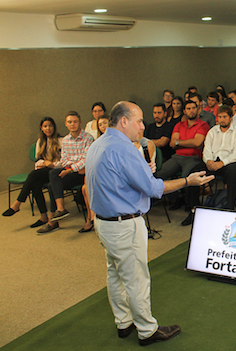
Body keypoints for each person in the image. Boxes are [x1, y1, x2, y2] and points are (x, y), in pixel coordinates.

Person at [86, 101, 214, 345]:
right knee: (136, 278)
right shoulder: (124, 149)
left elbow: (116, 179)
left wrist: (143, 170)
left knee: (114, 273)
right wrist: (187, 181)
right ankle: (147, 330)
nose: (143, 126)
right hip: (125, 225)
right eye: (139, 121)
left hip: (104, 223)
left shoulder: (98, 144)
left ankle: (123, 322)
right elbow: (154, 188)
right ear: (124, 121)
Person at [182, 105, 236, 225]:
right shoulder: (212, 131)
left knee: (233, 173)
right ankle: (194, 210)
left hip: (229, 162)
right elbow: (206, 149)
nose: (222, 119)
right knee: (194, 173)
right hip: (212, 161)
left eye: (225, 117)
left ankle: (230, 209)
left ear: (231, 118)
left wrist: (222, 163)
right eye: (220, 117)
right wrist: (209, 161)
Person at [36, 111, 95, 234]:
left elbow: (86, 159)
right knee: (53, 179)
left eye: (75, 121)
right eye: (69, 122)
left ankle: (53, 219)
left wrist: (70, 168)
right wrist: (71, 166)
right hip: (71, 171)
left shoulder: (88, 138)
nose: (72, 124)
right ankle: (59, 210)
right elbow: (63, 160)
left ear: (80, 123)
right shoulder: (66, 140)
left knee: (53, 178)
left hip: (83, 173)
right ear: (66, 124)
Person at [3, 117, 62, 228]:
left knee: (33, 175)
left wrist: (52, 164)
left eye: (50, 126)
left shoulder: (61, 140)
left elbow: (64, 161)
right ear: (41, 128)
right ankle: (43, 216)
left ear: (54, 127)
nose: (48, 128)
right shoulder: (40, 141)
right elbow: (37, 161)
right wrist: (45, 162)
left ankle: (18, 203)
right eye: (45, 126)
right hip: (45, 171)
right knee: (35, 183)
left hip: (57, 171)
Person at [155, 100, 210, 180]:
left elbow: (197, 143)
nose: (191, 111)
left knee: (186, 179)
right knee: (157, 175)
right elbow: (172, 144)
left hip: (193, 158)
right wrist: (189, 143)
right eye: (188, 108)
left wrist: (178, 142)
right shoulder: (179, 125)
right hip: (177, 157)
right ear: (184, 111)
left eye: (193, 108)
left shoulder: (203, 125)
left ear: (197, 109)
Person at [80, 115, 110, 233]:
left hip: (110, 171)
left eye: (105, 123)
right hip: (101, 170)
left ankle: (92, 218)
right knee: (84, 187)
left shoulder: (115, 139)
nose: (103, 126)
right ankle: (92, 217)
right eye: (100, 124)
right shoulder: (97, 141)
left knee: (86, 186)